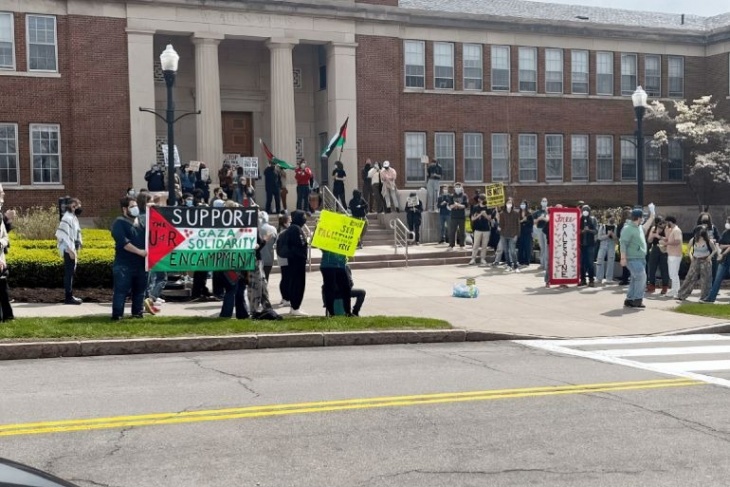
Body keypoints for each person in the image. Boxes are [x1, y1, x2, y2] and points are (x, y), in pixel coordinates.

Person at [111, 196, 148, 320]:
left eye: (136, 205)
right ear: (124, 209)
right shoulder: (119, 223)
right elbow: (124, 243)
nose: (135, 208)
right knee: (121, 291)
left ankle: (137, 313)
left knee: (140, 291)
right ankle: (117, 315)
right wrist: (140, 252)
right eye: (132, 206)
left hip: (141, 264)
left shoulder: (142, 222)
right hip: (124, 264)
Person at [677, 225, 716, 302]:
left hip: (705, 260)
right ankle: (682, 294)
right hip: (695, 260)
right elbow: (688, 249)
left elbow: (714, 250)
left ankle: (705, 297)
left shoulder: (708, 241)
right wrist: (691, 256)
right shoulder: (693, 240)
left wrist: (710, 257)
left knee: (706, 279)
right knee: (690, 277)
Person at [56, 197, 83, 305]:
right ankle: (68, 297)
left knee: (70, 273)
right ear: (72, 206)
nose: (80, 208)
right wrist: (70, 250)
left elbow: (76, 233)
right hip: (68, 250)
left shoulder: (73, 217)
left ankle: (70, 295)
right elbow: (62, 235)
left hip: (71, 249)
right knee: (69, 273)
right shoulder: (67, 218)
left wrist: (78, 244)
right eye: (78, 206)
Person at [619, 208, 648, 308]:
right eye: (642, 216)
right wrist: (623, 258)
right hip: (632, 258)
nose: (643, 218)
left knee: (635, 279)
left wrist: (653, 215)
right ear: (639, 218)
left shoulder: (638, 227)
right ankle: (637, 300)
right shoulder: (628, 228)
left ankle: (630, 299)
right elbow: (623, 244)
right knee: (641, 277)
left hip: (639, 258)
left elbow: (646, 227)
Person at [284, 210, 309, 316]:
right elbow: (299, 244)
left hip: (296, 261)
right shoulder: (295, 229)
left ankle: (294, 307)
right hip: (297, 261)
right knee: (298, 284)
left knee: (296, 283)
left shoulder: (294, 228)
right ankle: (295, 307)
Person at [703, 216, 730, 303]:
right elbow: (720, 244)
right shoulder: (726, 233)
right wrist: (728, 246)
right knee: (717, 280)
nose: (727, 223)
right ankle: (710, 298)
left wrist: (725, 251)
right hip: (724, 260)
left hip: (725, 257)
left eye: (728, 221)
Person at [320, 250, 351, 317]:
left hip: (340, 265)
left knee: (346, 288)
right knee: (330, 289)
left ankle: (348, 312)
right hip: (328, 265)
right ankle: (331, 313)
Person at [645, 216, 669, 294]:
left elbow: (667, 239)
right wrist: (654, 235)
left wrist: (658, 236)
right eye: (659, 223)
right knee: (652, 267)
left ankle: (665, 286)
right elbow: (649, 240)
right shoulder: (653, 228)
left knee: (664, 268)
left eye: (662, 223)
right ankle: (651, 285)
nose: (660, 225)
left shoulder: (666, 229)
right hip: (655, 248)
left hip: (664, 249)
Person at [495, 197, 520, 272]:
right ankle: (508, 265)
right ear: (505, 204)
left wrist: (517, 235)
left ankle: (515, 266)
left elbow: (518, 225)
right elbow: (501, 224)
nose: (509, 204)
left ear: (512, 204)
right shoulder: (502, 214)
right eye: (507, 203)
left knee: (512, 251)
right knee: (506, 251)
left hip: (512, 235)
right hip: (504, 234)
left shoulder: (515, 213)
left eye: (510, 203)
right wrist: (499, 226)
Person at [663, 216, 683, 299]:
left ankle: (676, 291)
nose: (666, 224)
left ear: (670, 222)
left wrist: (666, 244)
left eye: (667, 222)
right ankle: (675, 290)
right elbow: (668, 239)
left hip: (675, 255)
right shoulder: (671, 230)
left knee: (673, 274)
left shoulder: (676, 230)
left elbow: (677, 241)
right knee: (672, 274)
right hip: (671, 254)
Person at [578, 204, 598, 287]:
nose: (585, 211)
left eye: (587, 209)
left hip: (590, 244)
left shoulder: (593, 219)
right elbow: (576, 231)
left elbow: (596, 231)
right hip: (582, 244)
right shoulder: (579, 219)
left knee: (590, 263)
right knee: (582, 262)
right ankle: (582, 279)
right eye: (584, 209)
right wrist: (582, 231)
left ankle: (591, 280)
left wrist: (588, 230)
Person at [469, 193, 491, 265]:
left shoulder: (488, 208)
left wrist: (485, 214)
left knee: (484, 245)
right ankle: (473, 258)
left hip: (486, 229)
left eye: (485, 199)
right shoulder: (475, 208)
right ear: (479, 200)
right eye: (482, 200)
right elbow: (472, 219)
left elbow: (489, 218)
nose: (484, 201)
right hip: (478, 229)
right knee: (476, 245)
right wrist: (480, 214)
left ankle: (482, 259)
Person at [276, 213, 292, 308]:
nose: (291, 223)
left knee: (285, 278)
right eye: (289, 221)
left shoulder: (281, 231)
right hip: (285, 258)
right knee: (286, 279)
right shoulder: (284, 232)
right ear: (285, 223)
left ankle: (284, 298)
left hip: (282, 258)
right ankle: (286, 298)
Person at [596, 216, 617, 285]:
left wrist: (613, 235)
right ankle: (599, 278)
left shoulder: (616, 227)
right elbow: (599, 237)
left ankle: (609, 278)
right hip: (603, 246)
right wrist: (607, 235)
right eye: (610, 218)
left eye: (613, 218)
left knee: (611, 261)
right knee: (600, 260)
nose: (612, 219)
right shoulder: (602, 226)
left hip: (611, 246)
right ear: (607, 219)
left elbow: (617, 239)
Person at [447, 182, 468, 250]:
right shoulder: (451, 196)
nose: (457, 188)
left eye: (459, 187)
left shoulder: (464, 196)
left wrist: (457, 205)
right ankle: (451, 245)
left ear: (461, 188)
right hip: (453, 216)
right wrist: (457, 205)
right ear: (454, 188)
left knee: (462, 231)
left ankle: (462, 245)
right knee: (452, 231)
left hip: (461, 216)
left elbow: (465, 206)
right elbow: (450, 206)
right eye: (456, 187)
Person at [259, 211, 277, 282]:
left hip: (257, 258)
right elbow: (275, 240)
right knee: (266, 278)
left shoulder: (256, 229)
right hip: (269, 257)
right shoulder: (272, 229)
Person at [533, 198, 549, 270]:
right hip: (539, 229)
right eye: (543, 201)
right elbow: (534, 222)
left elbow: (549, 220)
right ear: (541, 202)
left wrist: (544, 218)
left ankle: (546, 264)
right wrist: (539, 218)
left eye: (545, 201)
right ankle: (542, 263)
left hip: (546, 230)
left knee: (546, 247)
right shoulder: (537, 212)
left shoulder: (548, 211)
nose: (544, 202)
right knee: (542, 247)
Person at [517, 200, 534, 267]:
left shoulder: (529, 214)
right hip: (520, 232)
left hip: (527, 232)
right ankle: (520, 261)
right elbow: (516, 222)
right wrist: (522, 220)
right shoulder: (518, 213)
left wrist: (526, 221)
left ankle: (527, 261)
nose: (522, 205)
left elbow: (531, 224)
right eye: (521, 204)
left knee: (527, 247)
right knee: (520, 247)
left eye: (524, 204)